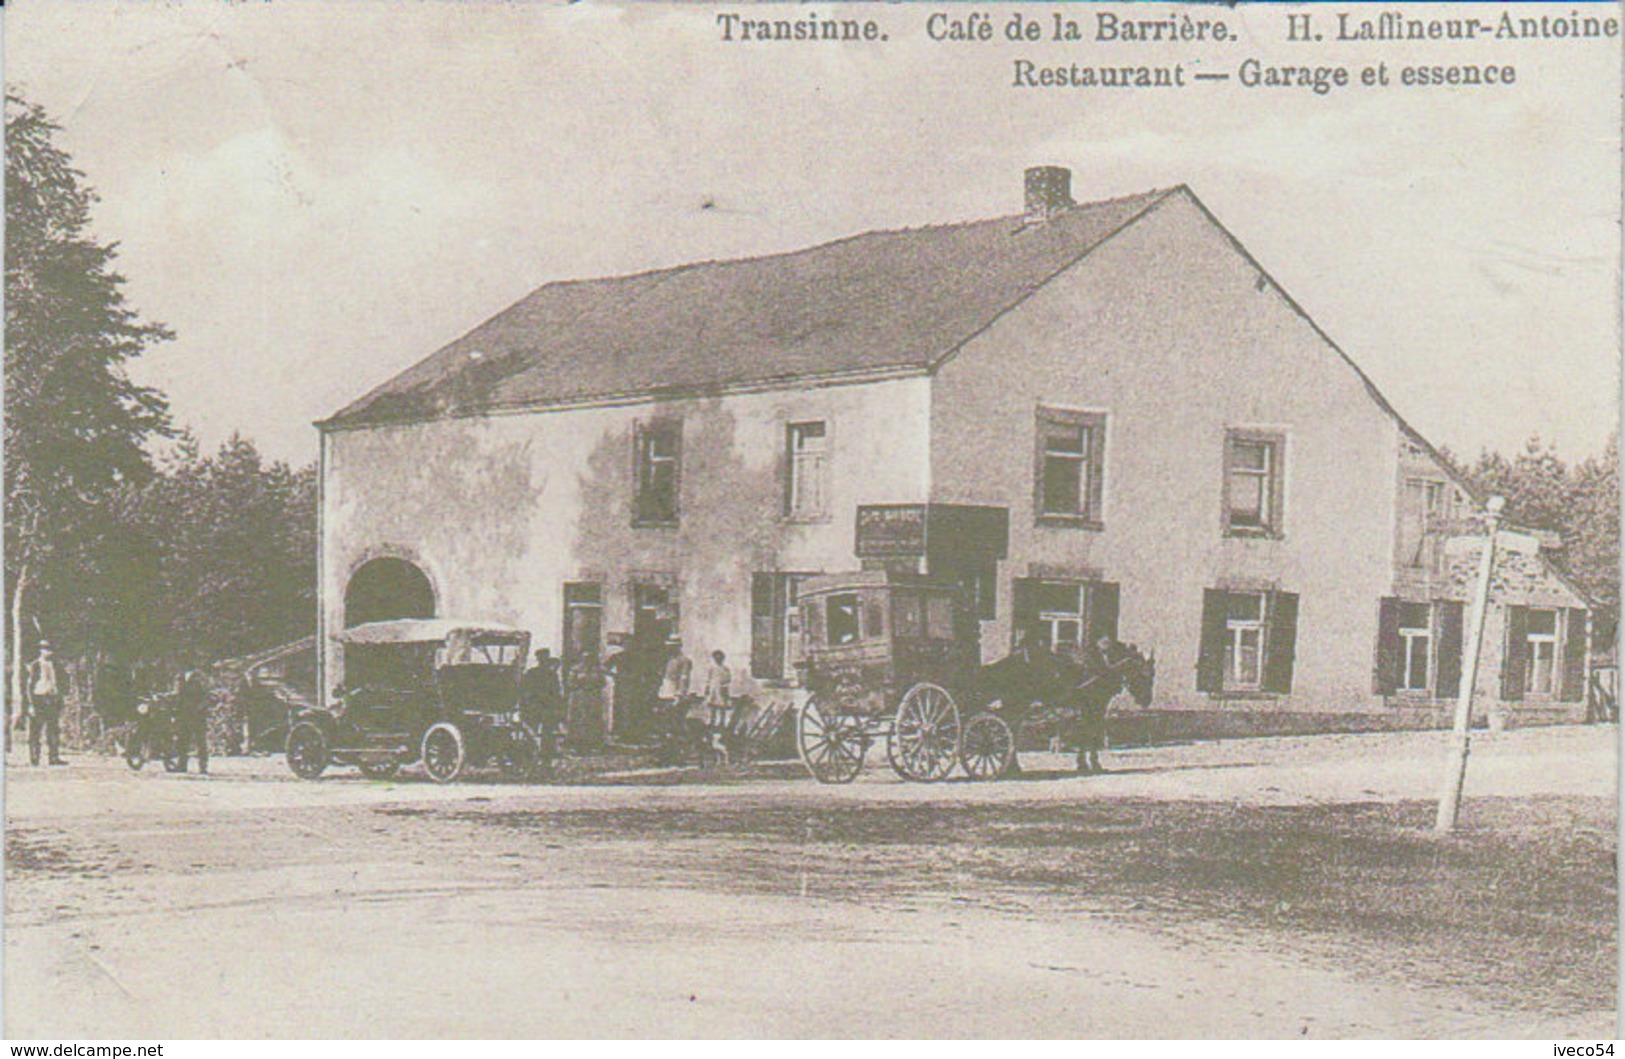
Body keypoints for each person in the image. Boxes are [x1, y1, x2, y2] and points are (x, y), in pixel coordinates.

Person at [23, 640, 68, 766]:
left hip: (52, 698)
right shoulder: (35, 665)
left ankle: (54, 757)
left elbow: (62, 681)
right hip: (39, 698)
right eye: (45, 649)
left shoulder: (56, 665)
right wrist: (30, 704)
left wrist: (61, 695)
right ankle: (34, 757)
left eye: (50, 649)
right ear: (40, 650)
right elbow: (28, 686)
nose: (48, 652)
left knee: (53, 729)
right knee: (35, 730)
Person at [173, 666, 210, 775]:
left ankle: (203, 767)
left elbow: (207, 696)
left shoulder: (200, 677)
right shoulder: (180, 676)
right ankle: (182, 765)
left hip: (197, 714)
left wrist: (200, 708)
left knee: (200, 741)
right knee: (182, 740)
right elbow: (177, 694)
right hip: (183, 713)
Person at [701, 649, 733, 765]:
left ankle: (721, 725)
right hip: (714, 691)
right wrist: (707, 691)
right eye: (716, 657)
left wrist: (726, 694)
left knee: (722, 709)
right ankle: (713, 724)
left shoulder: (725, 669)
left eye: (720, 657)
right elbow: (708, 681)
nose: (718, 659)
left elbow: (727, 683)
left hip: (721, 691)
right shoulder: (712, 668)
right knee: (713, 709)